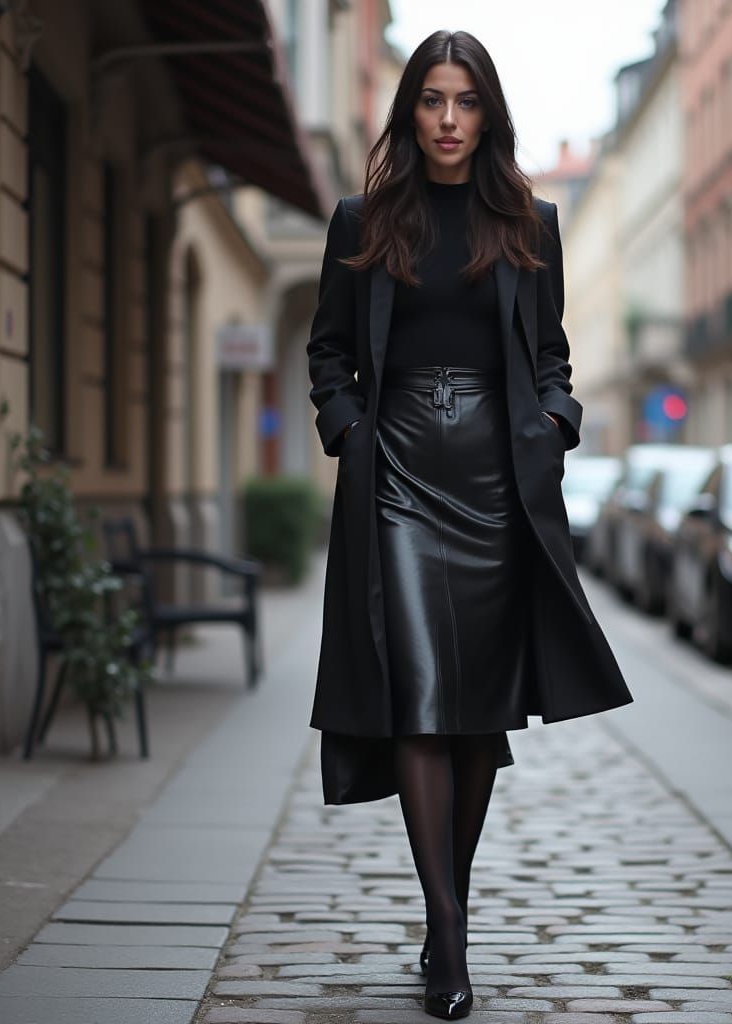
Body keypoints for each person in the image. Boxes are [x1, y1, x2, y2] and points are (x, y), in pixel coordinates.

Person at [305, 29, 634, 1020]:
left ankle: (448, 910)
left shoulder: (529, 223)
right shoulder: (363, 219)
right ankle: (447, 932)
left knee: (477, 713)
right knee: (419, 695)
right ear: (409, 111)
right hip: (397, 477)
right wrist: (349, 429)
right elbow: (327, 350)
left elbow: (552, 357)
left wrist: (555, 421)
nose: (448, 119)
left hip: (496, 486)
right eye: (431, 100)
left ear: (487, 114)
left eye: (465, 101)